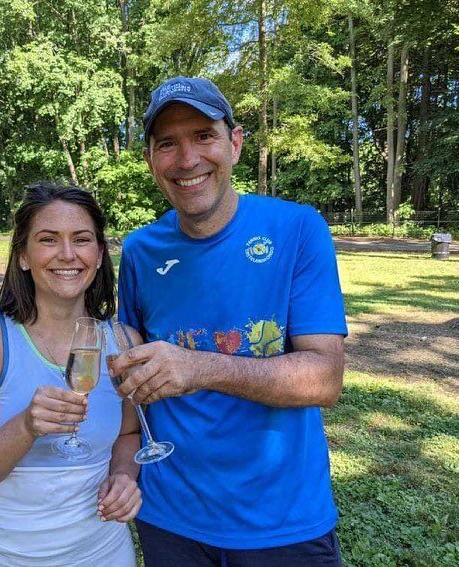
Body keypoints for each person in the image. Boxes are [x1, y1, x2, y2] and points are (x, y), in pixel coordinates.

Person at [110, 77, 348, 566]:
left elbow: (324, 379)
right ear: (152, 162)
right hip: (170, 515)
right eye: (167, 144)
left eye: (203, 135)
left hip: (282, 520)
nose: (187, 159)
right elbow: (128, 358)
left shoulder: (298, 228)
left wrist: (198, 368)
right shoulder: (139, 250)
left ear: (234, 143)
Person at [0, 182, 142, 566]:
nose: (67, 254)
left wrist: (123, 476)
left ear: (99, 255)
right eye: (48, 239)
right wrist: (25, 428)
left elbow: (129, 433)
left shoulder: (122, 340)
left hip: (102, 552)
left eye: (82, 239)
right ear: (23, 255)